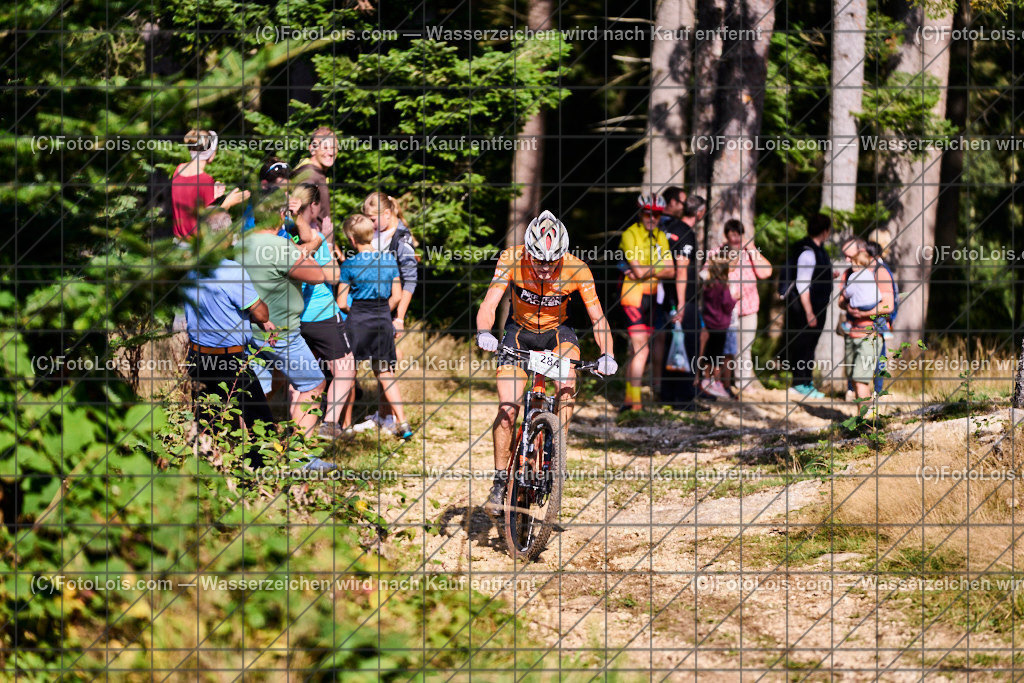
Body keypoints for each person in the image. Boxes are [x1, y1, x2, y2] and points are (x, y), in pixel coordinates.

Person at [476, 210, 617, 510]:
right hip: (519, 334)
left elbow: (598, 319)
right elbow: (490, 301)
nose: (544, 269)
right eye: (538, 261)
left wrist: (608, 354)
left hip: (557, 335)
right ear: (528, 251)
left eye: (551, 263)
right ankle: (500, 482)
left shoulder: (577, 269)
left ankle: (556, 450)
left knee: (567, 385)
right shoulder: (511, 259)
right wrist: (483, 331)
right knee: (506, 410)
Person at [239, 193, 334, 448]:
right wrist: (304, 249)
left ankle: (245, 450)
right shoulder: (280, 247)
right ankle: (300, 455)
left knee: (252, 392)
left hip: (246, 331)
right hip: (282, 333)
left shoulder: (240, 244)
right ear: (281, 215)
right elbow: (316, 275)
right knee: (313, 383)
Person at [181, 210, 274, 466]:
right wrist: (259, 314)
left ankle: (204, 474)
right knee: (260, 421)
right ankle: (259, 474)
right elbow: (261, 312)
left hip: (198, 357)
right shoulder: (232, 270)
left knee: (207, 421)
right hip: (230, 360)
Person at [286, 184, 356, 440]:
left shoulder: (280, 235)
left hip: (291, 316)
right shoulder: (314, 235)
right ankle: (329, 424)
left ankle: (295, 433)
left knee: (301, 377)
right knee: (345, 368)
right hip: (321, 313)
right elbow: (334, 274)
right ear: (312, 207)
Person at [337, 214, 414, 440]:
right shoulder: (389, 260)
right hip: (382, 320)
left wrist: (358, 312)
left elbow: (342, 302)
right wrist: (381, 310)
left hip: (358, 320)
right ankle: (403, 422)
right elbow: (397, 296)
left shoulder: (349, 264)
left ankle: (347, 424)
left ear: (351, 239)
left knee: (349, 373)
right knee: (385, 373)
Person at [353, 192, 420, 434]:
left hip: (390, 309)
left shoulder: (402, 240)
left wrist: (399, 317)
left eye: (372, 218)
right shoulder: (379, 234)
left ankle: (391, 418)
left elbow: (410, 281)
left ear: (388, 214)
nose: (369, 223)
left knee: (384, 363)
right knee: (381, 362)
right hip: (375, 306)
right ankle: (384, 415)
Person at [619, 194, 674, 411]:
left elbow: (672, 271)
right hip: (632, 296)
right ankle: (636, 405)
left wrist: (646, 271)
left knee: (636, 351)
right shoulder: (630, 234)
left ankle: (628, 399)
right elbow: (643, 270)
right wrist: (656, 269)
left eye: (657, 214)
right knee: (642, 350)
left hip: (652, 297)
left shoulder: (661, 236)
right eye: (647, 213)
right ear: (641, 213)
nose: (652, 218)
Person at [661, 194, 708, 411]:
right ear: (699, 212)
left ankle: (668, 394)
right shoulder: (685, 233)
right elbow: (681, 269)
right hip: (681, 299)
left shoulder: (671, 228)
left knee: (674, 344)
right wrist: (681, 303)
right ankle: (685, 399)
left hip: (668, 295)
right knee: (688, 346)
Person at [780, 213, 834, 399]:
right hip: (805, 307)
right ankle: (798, 383)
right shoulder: (808, 252)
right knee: (803, 344)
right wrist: (809, 312)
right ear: (825, 231)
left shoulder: (819, 251)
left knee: (810, 344)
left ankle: (806, 381)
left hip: (817, 305)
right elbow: (803, 285)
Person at [718, 219, 772, 393]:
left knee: (745, 349)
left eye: (738, 234)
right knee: (725, 350)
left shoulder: (750, 253)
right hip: (726, 310)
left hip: (748, 309)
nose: (735, 238)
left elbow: (766, 272)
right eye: (732, 234)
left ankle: (743, 384)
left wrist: (752, 249)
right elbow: (709, 275)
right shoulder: (719, 251)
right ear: (726, 236)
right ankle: (723, 384)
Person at [838, 238, 894, 400]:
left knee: (863, 378)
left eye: (850, 256)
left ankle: (869, 412)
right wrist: (849, 307)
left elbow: (888, 305)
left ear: (862, 252)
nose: (847, 260)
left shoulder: (880, 272)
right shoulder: (849, 273)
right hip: (852, 332)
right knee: (855, 376)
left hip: (872, 332)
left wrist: (863, 313)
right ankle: (861, 413)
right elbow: (841, 302)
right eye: (845, 256)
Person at [171, 129, 248, 239]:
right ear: (210, 153)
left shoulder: (178, 170)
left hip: (178, 241)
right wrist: (228, 203)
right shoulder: (204, 179)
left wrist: (212, 195)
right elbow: (211, 221)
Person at [697, 257, 737, 399]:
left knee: (708, 354)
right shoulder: (723, 287)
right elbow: (727, 305)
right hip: (721, 326)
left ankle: (706, 379)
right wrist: (735, 299)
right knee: (718, 355)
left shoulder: (708, 285)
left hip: (709, 323)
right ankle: (716, 382)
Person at [292, 126, 337, 242]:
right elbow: (303, 221)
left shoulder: (317, 174)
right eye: (325, 147)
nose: (331, 152)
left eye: (334, 147)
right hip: (313, 248)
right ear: (312, 149)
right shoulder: (309, 178)